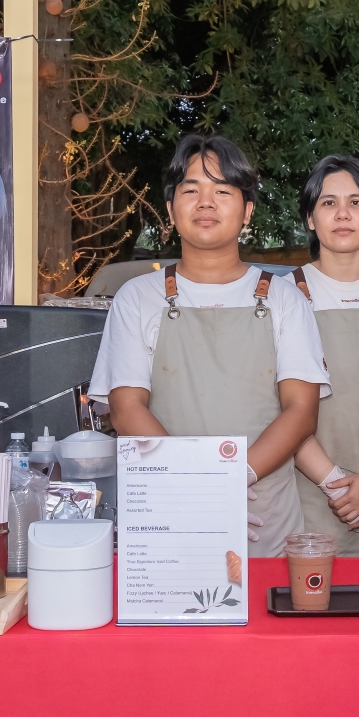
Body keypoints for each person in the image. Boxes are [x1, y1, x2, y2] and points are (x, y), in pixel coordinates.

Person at [89, 134, 329, 557]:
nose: (205, 202)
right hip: (169, 512)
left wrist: (235, 479)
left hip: (263, 519)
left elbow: (301, 411)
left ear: (247, 211)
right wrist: (196, 489)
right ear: (170, 210)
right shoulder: (137, 297)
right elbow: (126, 411)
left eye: (222, 191)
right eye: (191, 190)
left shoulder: (284, 298)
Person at [288, 155, 359, 555]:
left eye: (356, 202)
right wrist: (336, 485)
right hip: (310, 498)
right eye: (328, 203)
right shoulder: (283, 297)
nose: (343, 214)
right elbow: (274, 410)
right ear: (310, 218)